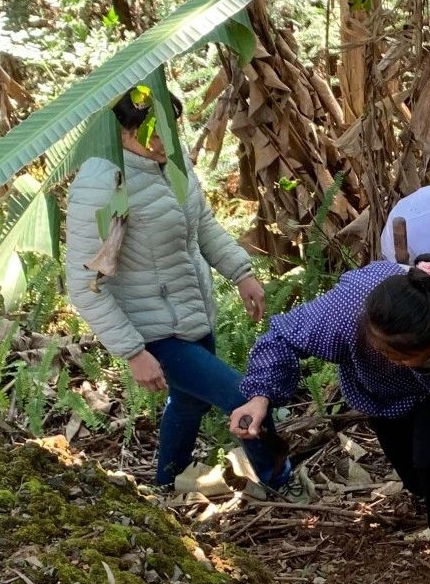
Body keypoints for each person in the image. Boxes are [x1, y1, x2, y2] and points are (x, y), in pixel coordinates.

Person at [64, 88, 290, 492]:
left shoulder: (172, 159)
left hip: (190, 309)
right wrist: (133, 351)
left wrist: (241, 272)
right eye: (150, 135)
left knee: (189, 401)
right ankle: (281, 483)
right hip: (154, 330)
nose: (162, 144)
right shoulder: (102, 182)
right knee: (246, 398)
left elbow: (201, 225)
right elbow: (85, 283)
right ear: (122, 132)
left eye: (169, 131)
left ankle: (166, 485)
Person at [230, 258, 430, 566]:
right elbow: (282, 337)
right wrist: (260, 397)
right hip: (380, 394)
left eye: (401, 355)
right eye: (381, 349)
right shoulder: (346, 309)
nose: (391, 359)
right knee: (416, 478)